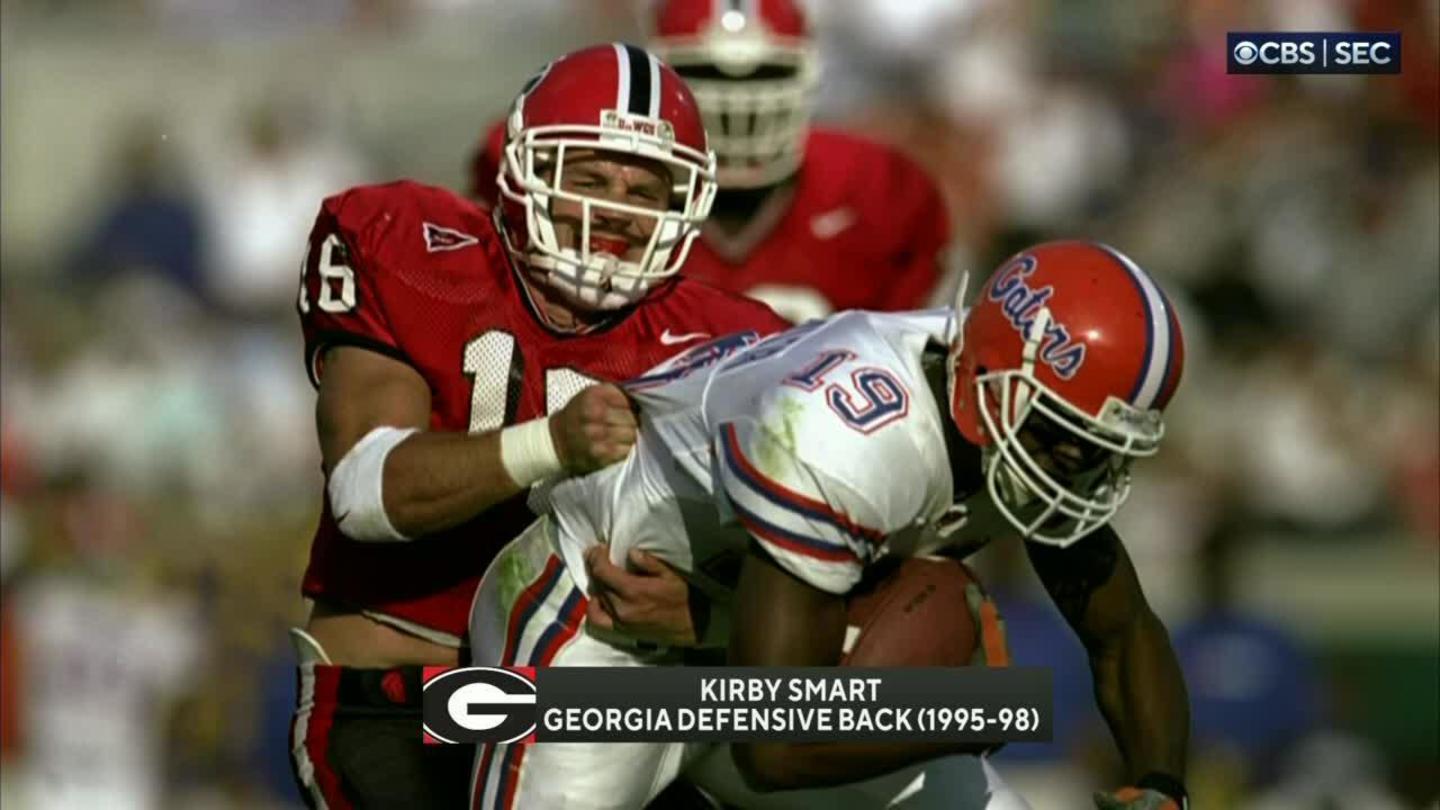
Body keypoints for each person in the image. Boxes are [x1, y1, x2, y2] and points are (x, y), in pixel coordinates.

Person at [469, 241, 1192, 809]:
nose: (1075, 463)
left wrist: (1160, 786)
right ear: (988, 378)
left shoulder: (1012, 418)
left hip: (747, 644)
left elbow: (1122, 631)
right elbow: (773, 742)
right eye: (1062, 435)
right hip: (598, 631)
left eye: (1100, 448)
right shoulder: (842, 436)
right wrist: (965, 710)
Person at [288, 43, 788, 808]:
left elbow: (796, 558)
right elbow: (365, 491)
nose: (613, 210)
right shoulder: (411, 248)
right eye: (588, 178)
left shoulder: (731, 340)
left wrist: (711, 617)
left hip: (601, 707)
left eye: (644, 189)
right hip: (408, 695)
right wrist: (550, 443)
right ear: (524, 172)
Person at [468, 0, 957, 324]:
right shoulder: (581, 167)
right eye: (704, 74)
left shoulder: (879, 192)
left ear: (808, 75)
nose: (736, 104)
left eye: (764, 76)